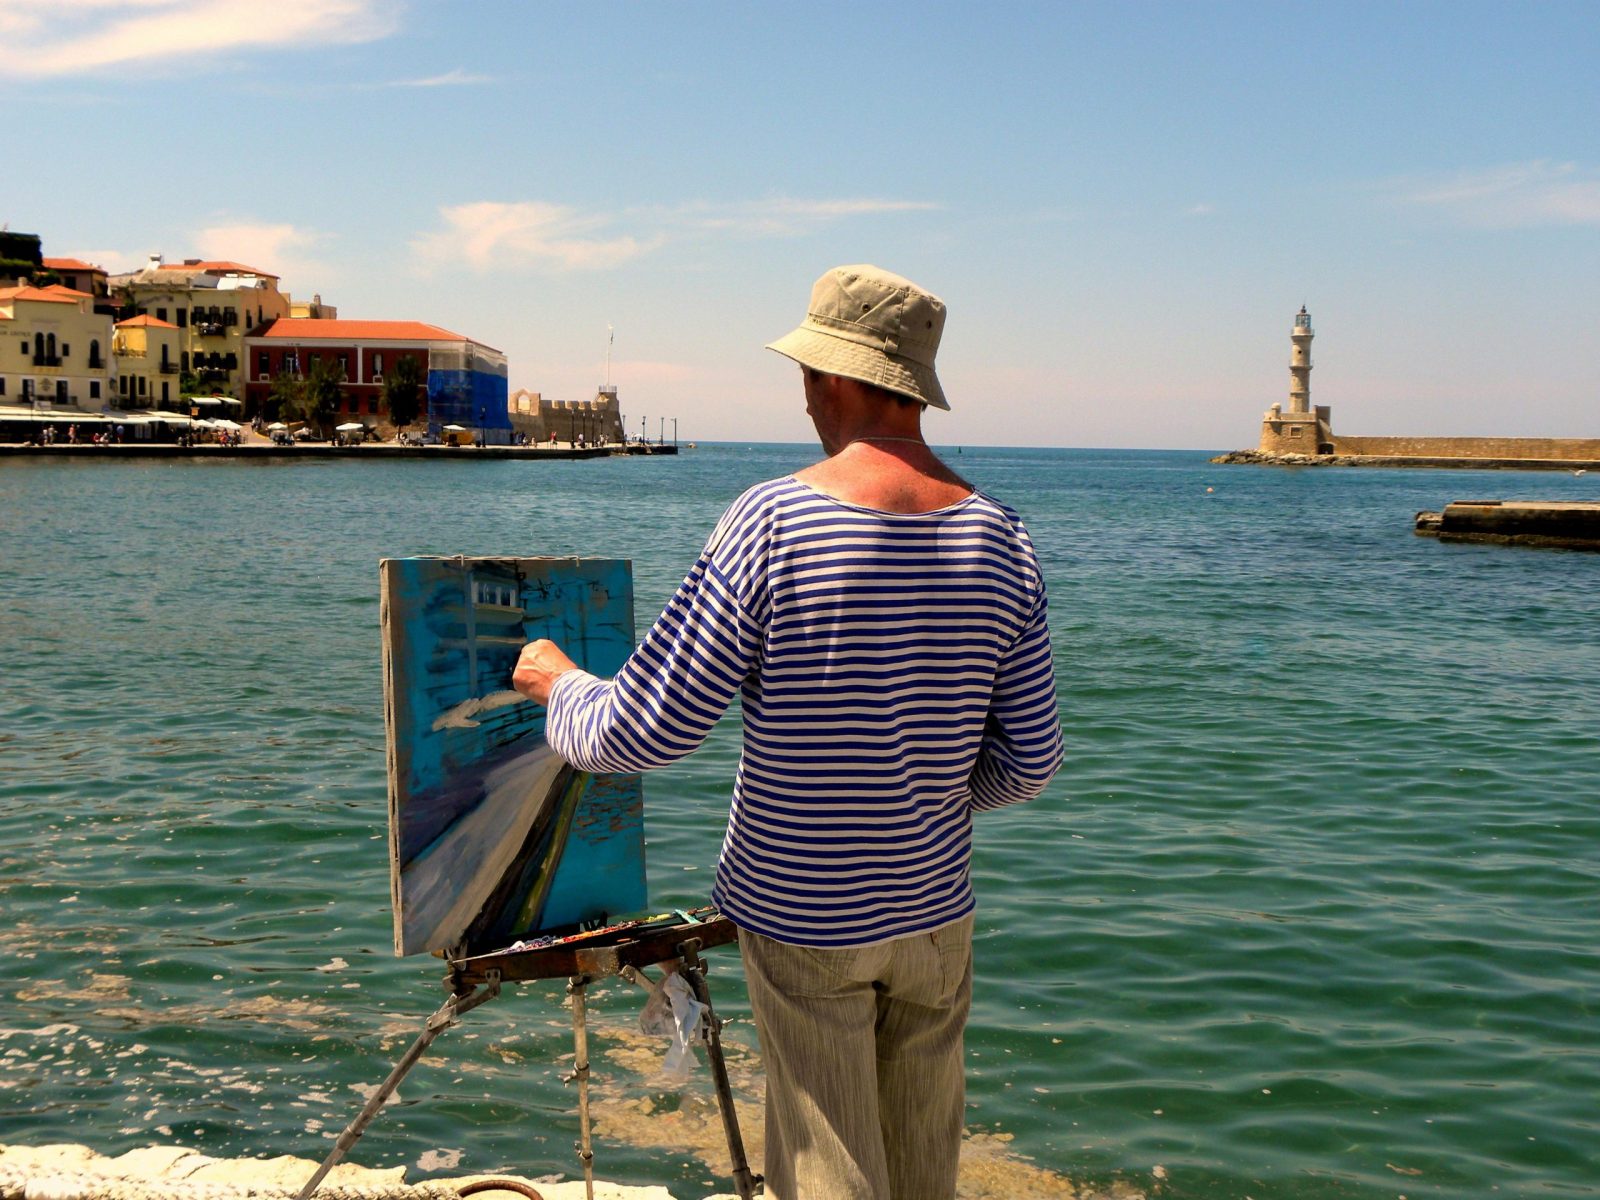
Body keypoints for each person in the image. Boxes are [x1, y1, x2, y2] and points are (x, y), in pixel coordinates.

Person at [512, 264, 1063, 1200]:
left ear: (836, 381)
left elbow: (646, 731)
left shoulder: (775, 520)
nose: (804, 397)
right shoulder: (999, 535)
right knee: (924, 1159)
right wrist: (920, 792)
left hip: (804, 910)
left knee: (827, 1165)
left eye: (809, 374)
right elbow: (1030, 763)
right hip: (935, 912)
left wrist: (556, 684)